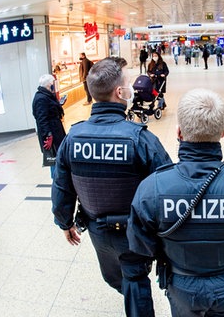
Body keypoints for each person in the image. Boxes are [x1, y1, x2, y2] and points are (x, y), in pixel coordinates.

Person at [127, 88, 224, 317]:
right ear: (223, 132)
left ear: (179, 132)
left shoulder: (152, 188)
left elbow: (141, 244)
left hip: (182, 284)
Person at [51, 57, 172, 316]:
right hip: (134, 232)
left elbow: (62, 186)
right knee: (134, 277)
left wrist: (65, 222)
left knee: (115, 276)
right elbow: (167, 187)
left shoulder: (73, 138)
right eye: (127, 84)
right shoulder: (140, 139)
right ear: (119, 93)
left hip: (97, 230)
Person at [32, 74, 66, 178]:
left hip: (55, 130)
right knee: (53, 157)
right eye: (53, 84)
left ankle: (59, 177)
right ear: (49, 85)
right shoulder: (41, 98)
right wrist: (48, 136)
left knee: (58, 155)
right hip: (51, 134)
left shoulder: (46, 95)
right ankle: (56, 179)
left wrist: (58, 105)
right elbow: (42, 120)